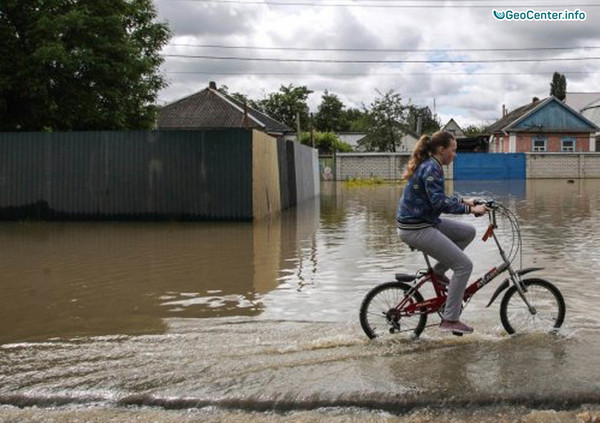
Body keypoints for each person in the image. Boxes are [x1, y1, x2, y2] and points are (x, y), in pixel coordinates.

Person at [396, 130, 488, 334]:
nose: (455, 155)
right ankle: (450, 319)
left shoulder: (433, 165)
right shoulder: (432, 168)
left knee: (467, 232)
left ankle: (438, 273)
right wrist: (470, 209)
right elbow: (438, 203)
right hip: (416, 228)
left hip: (423, 221)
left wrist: (465, 201)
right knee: (464, 265)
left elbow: (437, 197)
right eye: (453, 150)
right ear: (441, 149)